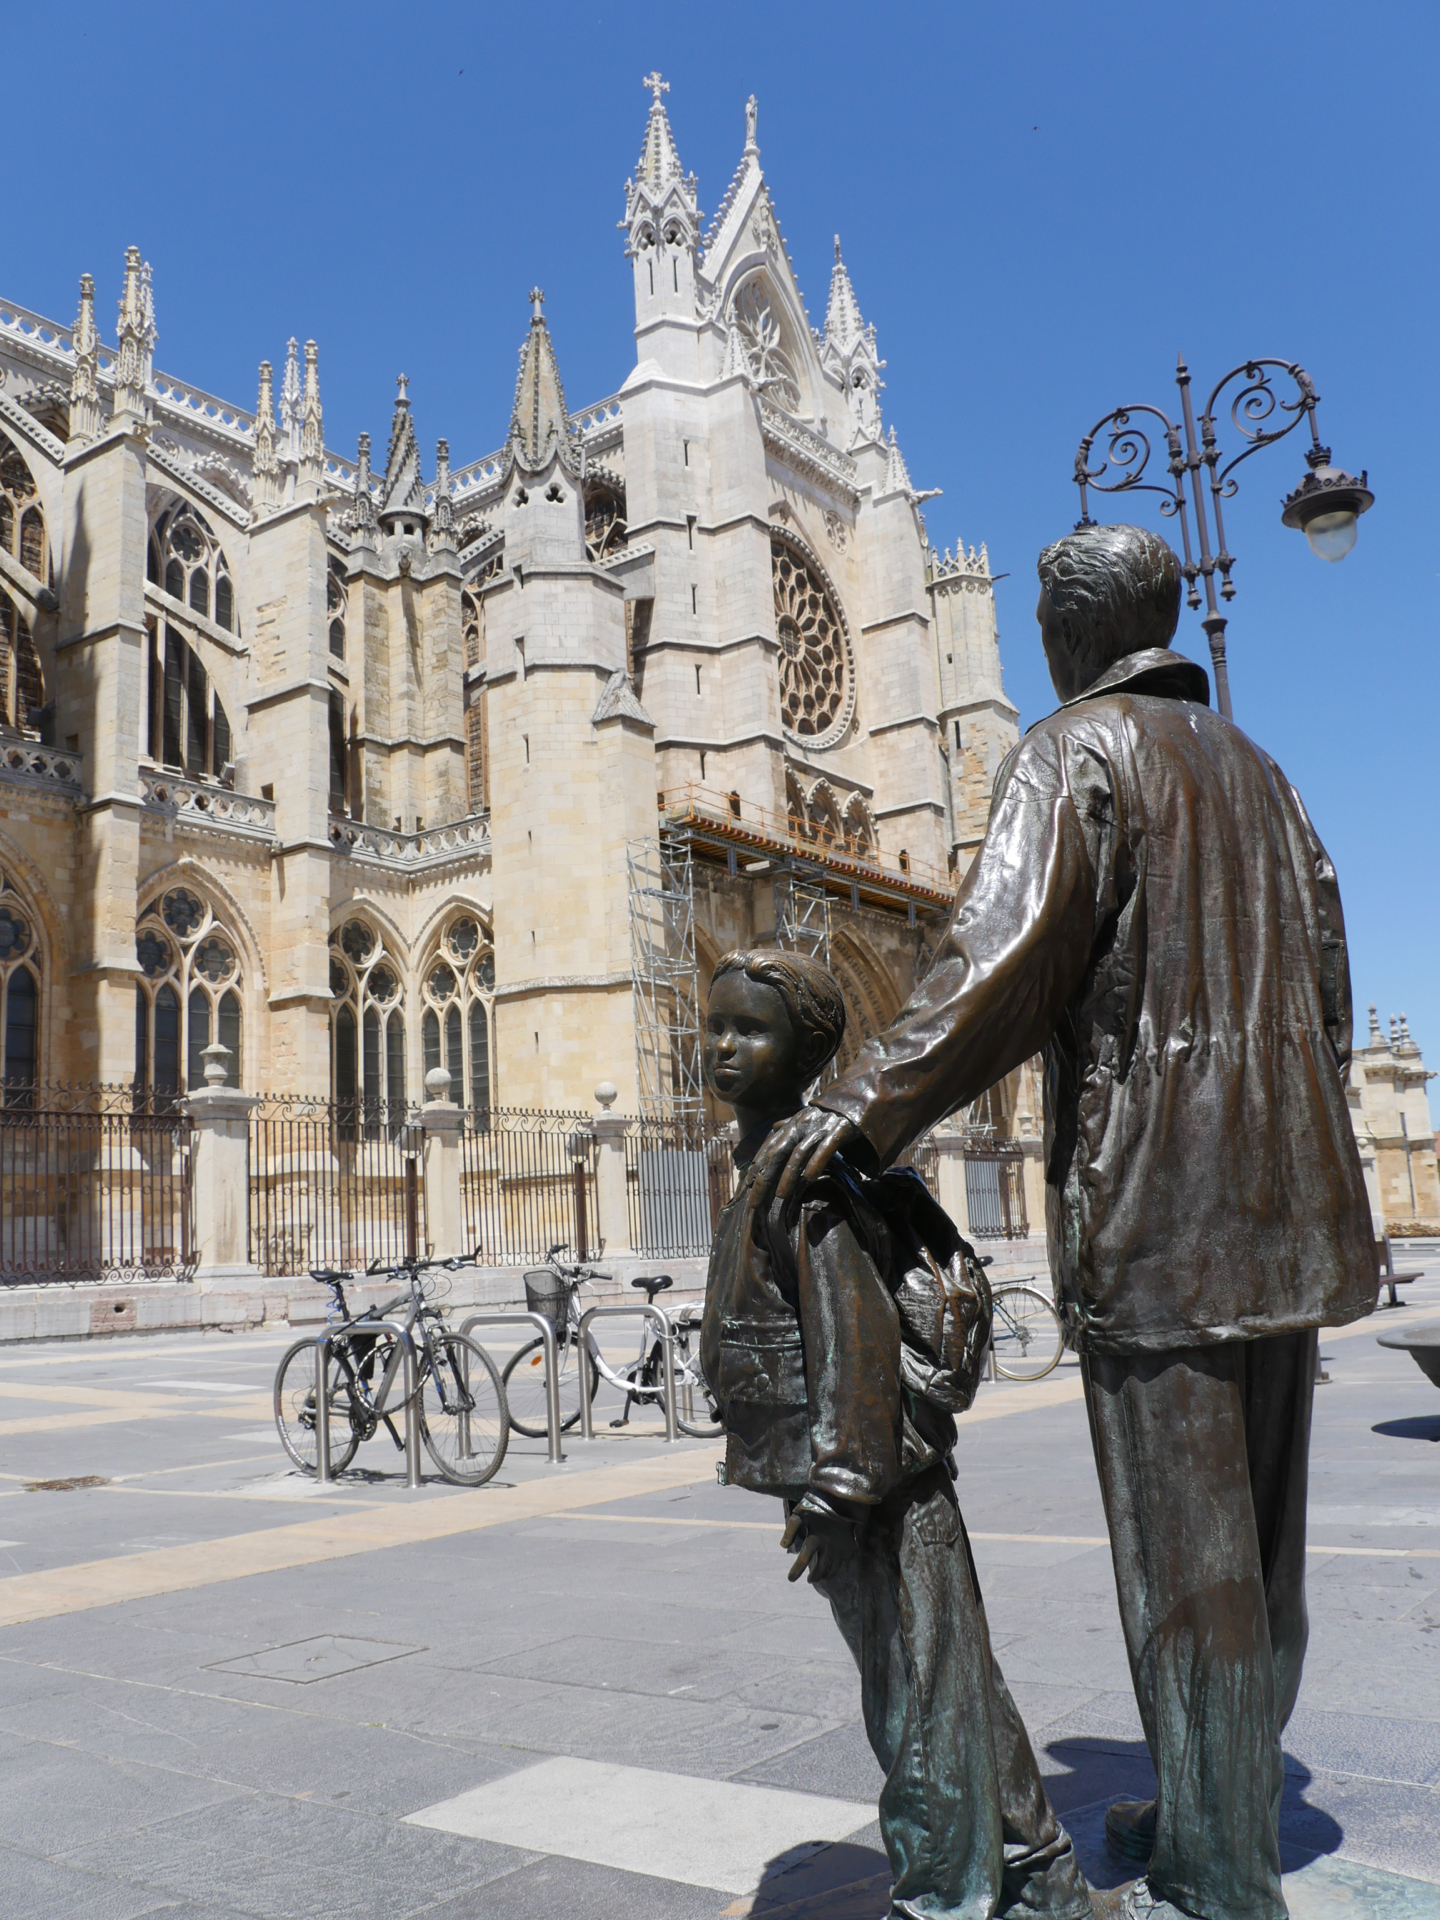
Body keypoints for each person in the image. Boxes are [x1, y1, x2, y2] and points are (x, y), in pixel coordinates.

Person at [750, 525, 1377, 1920]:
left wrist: (860, 1104)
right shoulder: (1266, 776)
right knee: (1262, 1552)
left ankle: (1223, 1874)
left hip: (1163, 1213)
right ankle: (1218, 1807)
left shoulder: (1076, 753)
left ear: (1075, 636)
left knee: (1187, 1566)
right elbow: (1330, 988)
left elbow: (1000, 963)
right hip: (1289, 1208)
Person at [700, 948, 1093, 1920]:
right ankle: (1041, 1876)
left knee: (913, 1698)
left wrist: (837, 1493)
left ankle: (943, 1896)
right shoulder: (751, 1158)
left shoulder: (805, 1173)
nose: (722, 1047)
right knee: (950, 1676)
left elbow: (854, 1340)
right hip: (859, 1468)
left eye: (751, 1030)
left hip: (875, 1477)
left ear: (808, 1054)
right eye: (714, 1026)